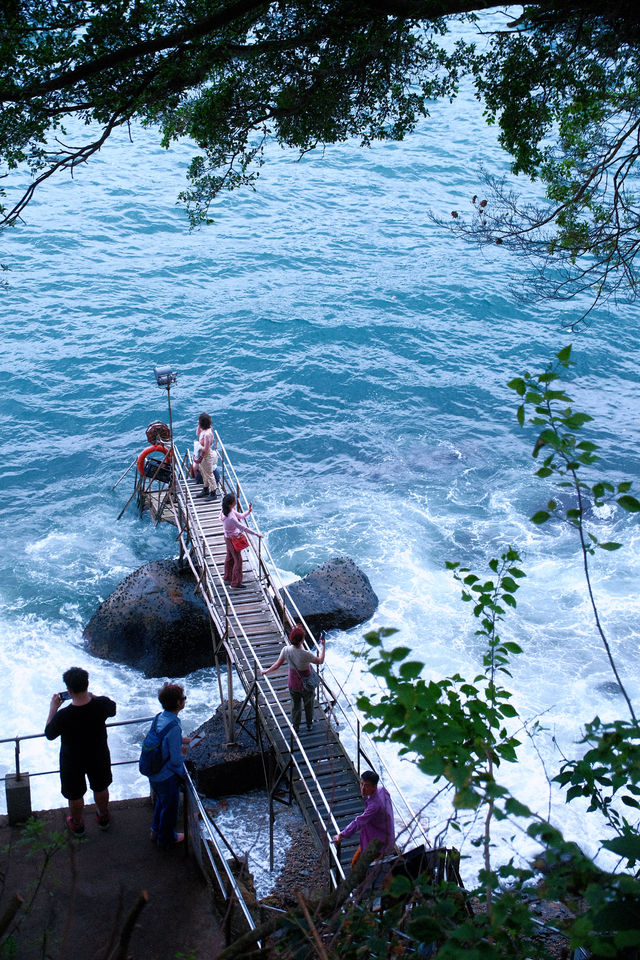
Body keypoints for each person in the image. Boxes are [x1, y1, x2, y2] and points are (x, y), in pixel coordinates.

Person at [45, 666, 117, 838]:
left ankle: (77, 824)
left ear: (68, 690)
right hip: (98, 754)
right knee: (101, 786)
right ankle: (103, 816)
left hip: (72, 760)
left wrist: (53, 708)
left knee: (75, 793)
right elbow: (112, 708)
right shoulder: (101, 705)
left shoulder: (63, 715)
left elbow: (49, 734)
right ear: (87, 684)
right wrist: (91, 695)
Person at [147, 682, 192, 848]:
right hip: (165, 775)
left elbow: (161, 738)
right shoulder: (174, 726)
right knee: (171, 807)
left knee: (161, 801)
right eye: (183, 698)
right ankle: (166, 838)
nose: (184, 700)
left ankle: (155, 831)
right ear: (179, 704)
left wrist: (187, 740)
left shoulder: (159, 717)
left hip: (153, 771)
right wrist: (184, 774)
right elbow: (175, 759)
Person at [261, 625, 326, 733]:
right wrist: (323, 646)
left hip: (293, 683)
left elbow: (277, 665)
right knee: (308, 705)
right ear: (302, 640)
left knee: (295, 706)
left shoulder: (286, 650)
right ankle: (309, 724)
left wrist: (266, 671)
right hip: (307, 684)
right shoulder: (306, 654)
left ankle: (296, 726)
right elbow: (320, 661)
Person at [333, 770, 395, 867]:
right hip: (383, 835)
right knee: (358, 864)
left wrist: (341, 835)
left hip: (378, 843)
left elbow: (359, 822)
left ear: (374, 787)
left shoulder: (374, 805)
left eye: (366, 786)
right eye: (361, 784)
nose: (362, 788)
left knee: (361, 867)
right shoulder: (382, 790)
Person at [219, 492, 263, 588]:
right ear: (231, 504)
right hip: (233, 540)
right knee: (238, 560)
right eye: (234, 500)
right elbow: (243, 528)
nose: (236, 501)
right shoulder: (231, 517)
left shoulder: (225, 511)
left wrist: (248, 511)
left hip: (227, 538)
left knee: (230, 557)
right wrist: (256, 534)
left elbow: (240, 516)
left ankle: (227, 576)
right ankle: (236, 583)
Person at [193, 412, 220, 499]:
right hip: (202, 457)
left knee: (209, 474)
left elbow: (206, 449)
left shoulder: (207, 434)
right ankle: (206, 488)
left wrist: (199, 447)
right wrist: (198, 425)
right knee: (203, 472)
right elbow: (197, 433)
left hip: (207, 457)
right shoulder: (204, 430)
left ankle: (213, 492)